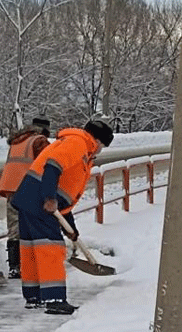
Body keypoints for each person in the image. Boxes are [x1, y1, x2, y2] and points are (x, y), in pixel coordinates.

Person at [11, 118, 114, 315]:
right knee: (50, 248)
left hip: (31, 199)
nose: (101, 150)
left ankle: (34, 296)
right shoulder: (78, 143)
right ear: (98, 141)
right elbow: (53, 166)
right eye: (103, 145)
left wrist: (71, 228)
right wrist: (49, 198)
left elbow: (64, 193)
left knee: (31, 249)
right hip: (41, 200)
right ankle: (55, 298)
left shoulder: (75, 144)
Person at [0, 117, 52, 279]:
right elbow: (48, 165)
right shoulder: (40, 141)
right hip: (29, 188)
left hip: (11, 188)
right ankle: (32, 264)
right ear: (45, 130)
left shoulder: (17, 141)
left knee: (15, 228)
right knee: (32, 226)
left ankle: (15, 267)